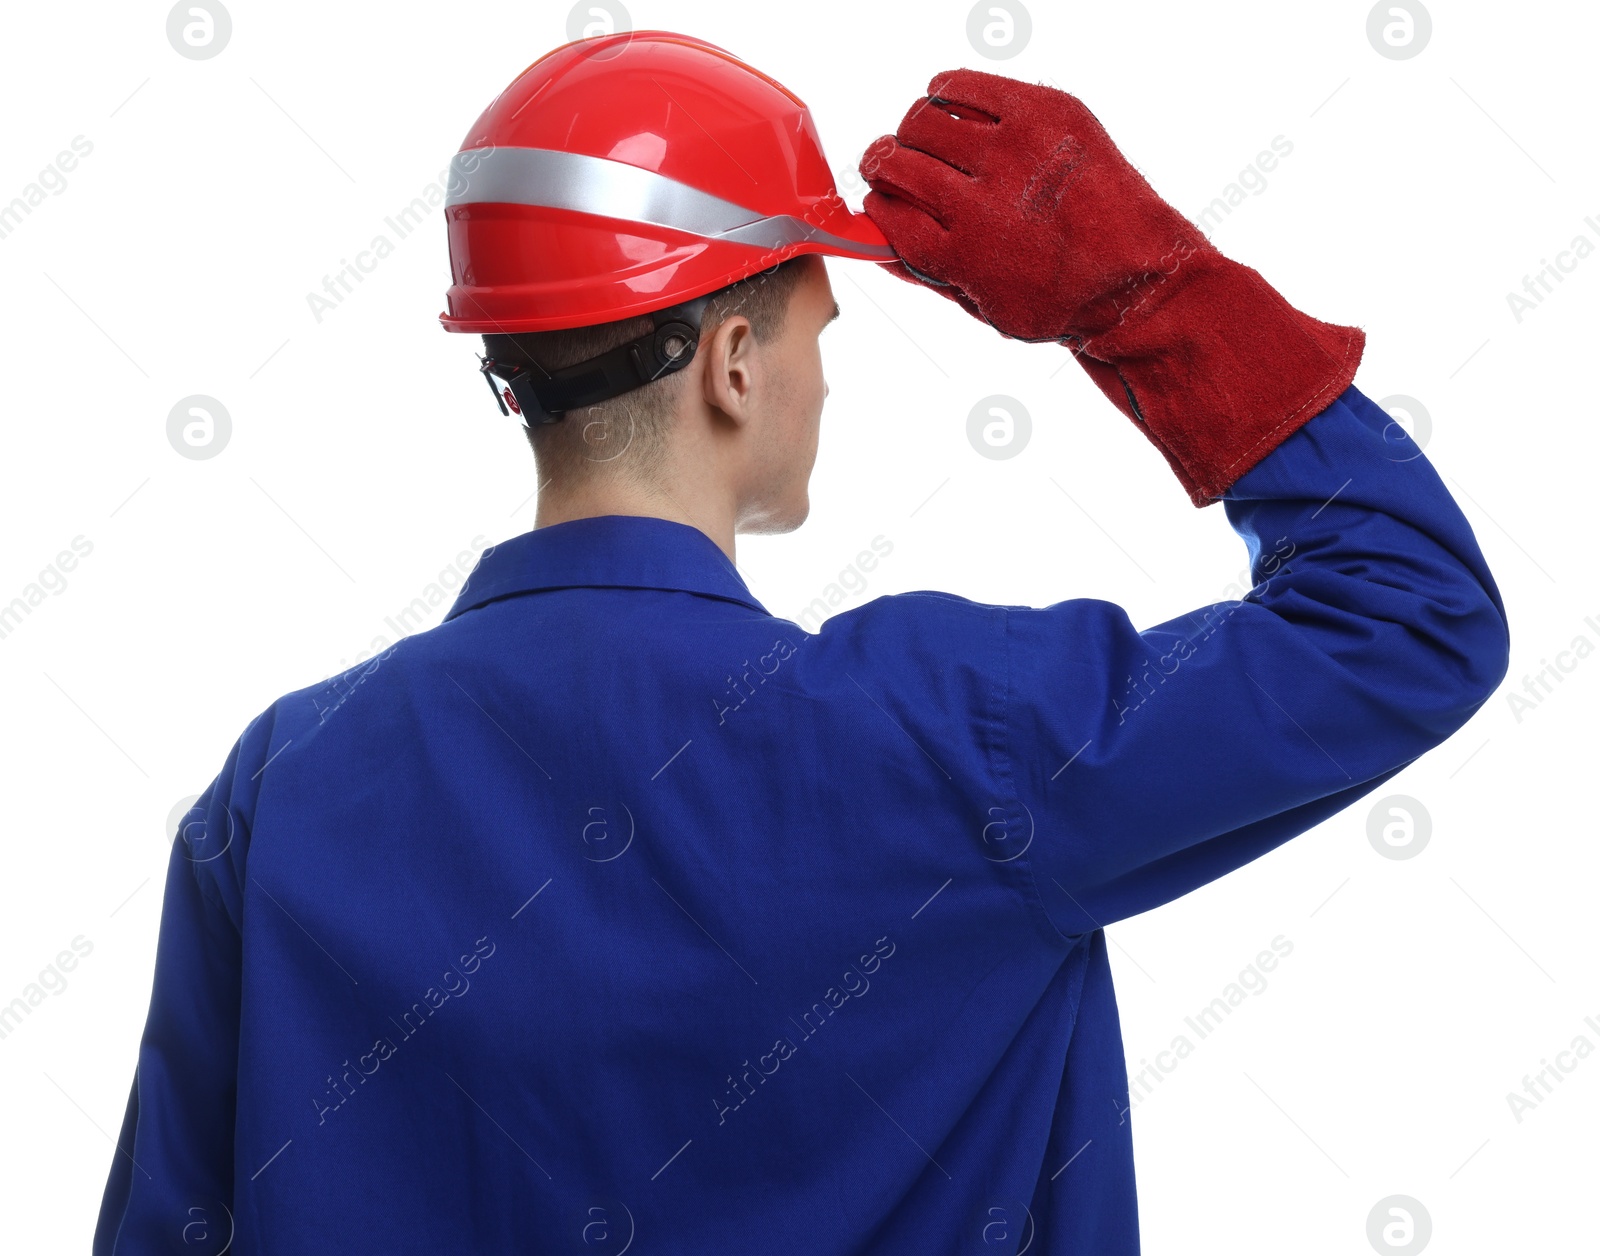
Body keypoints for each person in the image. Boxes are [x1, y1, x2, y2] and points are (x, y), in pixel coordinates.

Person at [94, 31, 1509, 1255]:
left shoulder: (279, 791)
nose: (827, 374)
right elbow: (1407, 610)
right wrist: (1139, 297)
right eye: (820, 323)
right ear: (733, 362)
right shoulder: (963, 739)